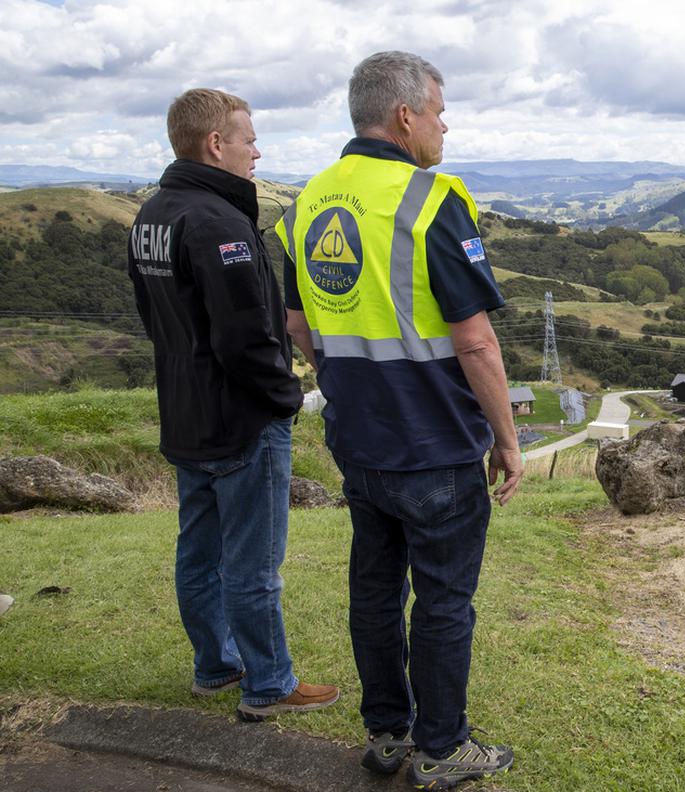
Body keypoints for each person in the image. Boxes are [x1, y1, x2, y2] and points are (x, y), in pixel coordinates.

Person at [276, 51, 523, 788]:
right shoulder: (430, 198)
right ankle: (443, 749)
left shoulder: (307, 204)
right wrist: (507, 439)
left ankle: (388, 734)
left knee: (376, 592)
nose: (445, 128)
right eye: (440, 113)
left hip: (360, 442)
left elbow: (296, 323)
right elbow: (474, 338)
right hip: (437, 444)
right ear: (406, 116)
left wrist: (344, 378)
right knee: (444, 601)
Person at [127, 88, 339, 721]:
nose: (257, 150)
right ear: (216, 144)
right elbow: (244, 334)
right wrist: (283, 398)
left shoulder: (153, 215)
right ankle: (269, 683)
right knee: (253, 563)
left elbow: (158, 320)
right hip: (241, 420)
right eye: (248, 139)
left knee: (198, 552)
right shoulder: (220, 223)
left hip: (185, 412)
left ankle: (215, 666)